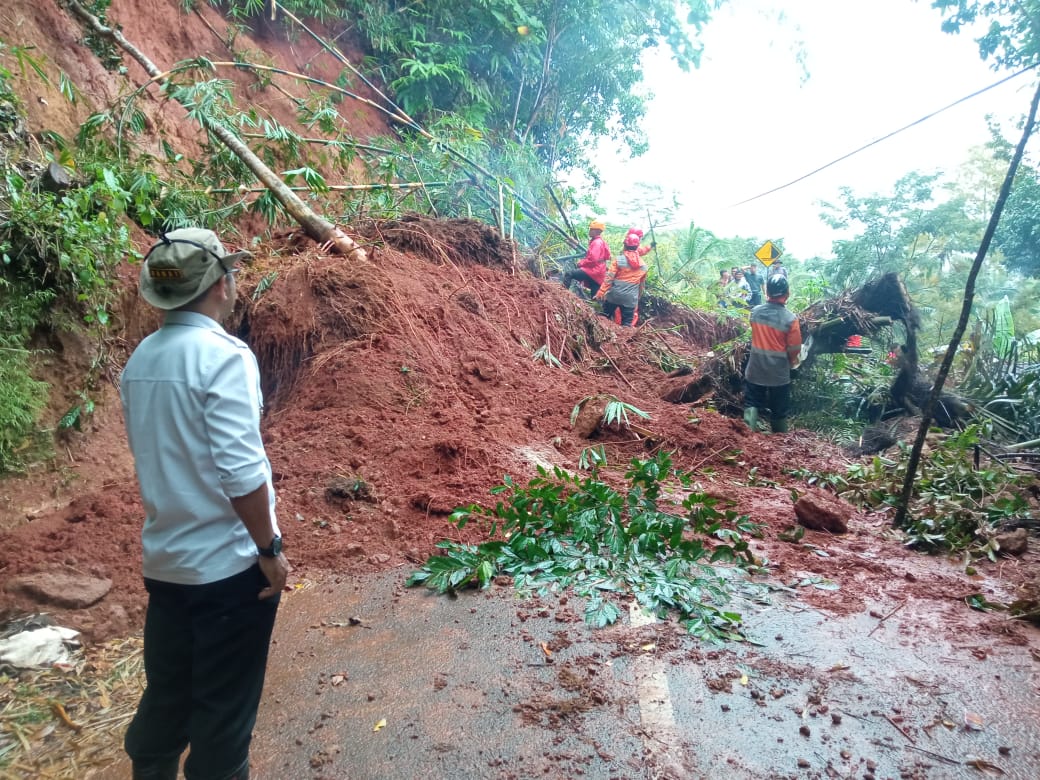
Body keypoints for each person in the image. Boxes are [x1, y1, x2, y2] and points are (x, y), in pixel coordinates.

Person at [120, 227, 290, 780]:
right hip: (226, 571)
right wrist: (269, 548)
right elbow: (241, 474)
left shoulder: (141, 360)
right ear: (219, 283)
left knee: (166, 703)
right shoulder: (223, 358)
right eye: (231, 273)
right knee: (223, 725)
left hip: (165, 567)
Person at [744, 274, 802, 433]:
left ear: (767, 292)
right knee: (779, 408)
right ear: (787, 293)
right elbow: (794, 348)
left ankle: (747, 437)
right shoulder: (791, 319)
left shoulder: (755, 312)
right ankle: (780, 441)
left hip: (755, 369)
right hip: (778, 373)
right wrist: (792, 363)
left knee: (752, 403)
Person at [597, 227, 652, 326]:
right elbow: (641, 286)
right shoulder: (644, 266)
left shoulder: (618, 260)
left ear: (625, 245)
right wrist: (636, 298)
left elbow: (609, 279)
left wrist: (600, 293)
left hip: (613, 296)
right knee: (627, 325)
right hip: (630, 299)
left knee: (603, 318)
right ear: (638, 246)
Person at [562, 219, 611, 298]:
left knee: (569, 274)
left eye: (591, 229)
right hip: (600, 273)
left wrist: (581, 263)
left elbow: (593, 259)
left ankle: (562, 295)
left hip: (593, 270)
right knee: (594, 297)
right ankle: (595, 310)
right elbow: (607, 256)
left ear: (597, 231)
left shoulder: (597, 243)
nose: (590, 231)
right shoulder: (600, 242)